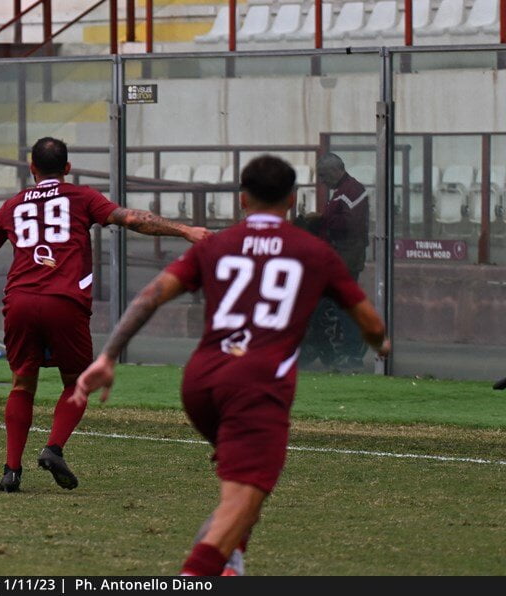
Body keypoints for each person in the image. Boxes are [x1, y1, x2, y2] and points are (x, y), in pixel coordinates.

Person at [70, 155, 390, 575]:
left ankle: (231, 560)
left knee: (242, 495)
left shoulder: (216, 245)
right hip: (255, 387)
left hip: (200, 384)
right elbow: (371, 325)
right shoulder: (313, 252)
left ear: (242, 200)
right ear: (292, 200)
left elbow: (150, 296)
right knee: (243, 499)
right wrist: (379, 343)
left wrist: (108, 356)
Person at [0, 137, 210, 493]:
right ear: (68, 168)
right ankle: (53, 448)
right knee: (76, 382)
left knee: (22, 383)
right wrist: (185, 230)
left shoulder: (12, 205)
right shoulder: (82, 197)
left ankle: (11, 471)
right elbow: (131, 219)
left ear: (31, 168)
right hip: (64, 301)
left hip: (20, 301)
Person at [299, 153, 370, 368]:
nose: (322, 180)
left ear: (337, 170)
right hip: (340, 258)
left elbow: (350, 225)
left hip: (346, 258)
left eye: (323, 175)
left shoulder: (351, 192)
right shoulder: (343, 192)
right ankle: (319, 347)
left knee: (340, 307)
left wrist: (322, 220)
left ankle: (352, 354)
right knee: (323, 304)